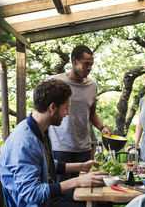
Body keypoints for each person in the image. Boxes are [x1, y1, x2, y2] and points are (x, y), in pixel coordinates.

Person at [0, 79, 116, 207]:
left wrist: (82, 166)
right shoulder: (24, 142)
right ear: (53, 107)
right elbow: (31, 194)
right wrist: (77, 181)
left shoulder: (38, 129)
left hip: (47, 204)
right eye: (66, 108)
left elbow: (45, 165)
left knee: (104, 204)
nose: (67, 113)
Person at [48, 45, 112, 180]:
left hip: (84, 148)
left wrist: (102, 127)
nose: (89, 68)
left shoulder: (92, 85)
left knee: (84, 188)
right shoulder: (55, 82)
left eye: (91, 65)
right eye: (86, 64)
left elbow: (91, 112)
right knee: (64, 193)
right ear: (74, 61)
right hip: (60, 147)